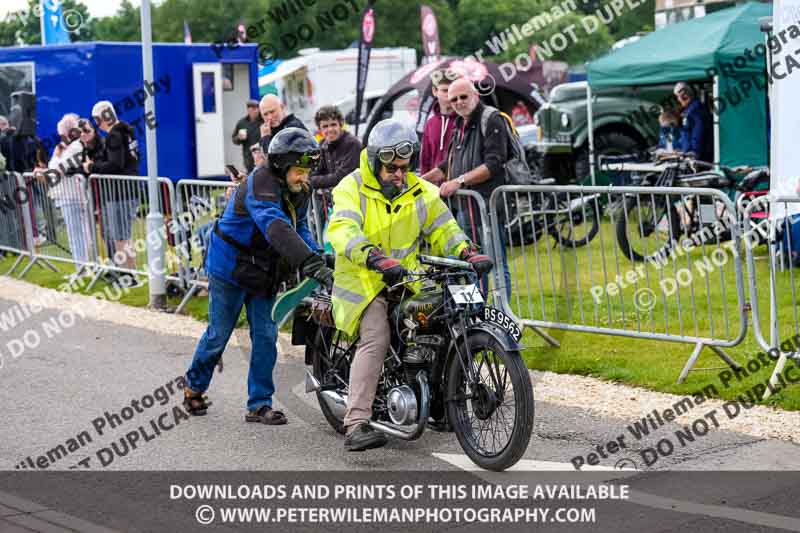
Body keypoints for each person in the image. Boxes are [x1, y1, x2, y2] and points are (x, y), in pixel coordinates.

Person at [327, 119, 493, 451]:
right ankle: (356, 422)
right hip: (362, 279)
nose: (398, 175)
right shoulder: (351, 187)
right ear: (375, 162)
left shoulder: (421, 190)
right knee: (377, 336)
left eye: (404, 168)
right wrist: (373, 257)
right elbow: (342, 228)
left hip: (406, 278)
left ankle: (442, 401)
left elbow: (444, 227)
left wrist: (466, 251)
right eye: (391, 168)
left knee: (442, 320)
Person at [182, 127, 333, 425]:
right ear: (280, 165)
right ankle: (194, 386)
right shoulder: (259, 184)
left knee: (266, 336)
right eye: (300, 170)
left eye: (308, 170)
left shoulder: (300, 189)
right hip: (230, 269)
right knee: (218, 335)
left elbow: (298, 225)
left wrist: (316, 254)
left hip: (264, 272)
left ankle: (259, 404)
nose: (305, 178)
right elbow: (275, 225)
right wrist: (308, 261)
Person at [421, 78, 512, 299]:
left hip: (488, 206)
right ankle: (475, 318)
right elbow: (447, 165)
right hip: (465, 211)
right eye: (454, 99)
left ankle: (503, 317)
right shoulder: (459, 124)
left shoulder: (491, 119)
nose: (459, 102)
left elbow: (494, 164)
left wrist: (459, 182)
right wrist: (419, 181)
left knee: (496, 265)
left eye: (463, 97)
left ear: (475, 96)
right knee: (468, 265)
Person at [85, 100, 140, 284]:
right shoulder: (127, 130)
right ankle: (130, 273)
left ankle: (129, 275)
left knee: (120, 237)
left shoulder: (114, 135)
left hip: (120, 193)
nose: (97, 124)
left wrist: (92, 166)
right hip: (127, 189)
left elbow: (115, 165)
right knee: (123, 235)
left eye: (97, 120)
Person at [47, 113, 92, 268]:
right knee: (77, 232)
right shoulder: (72, 146)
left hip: (72, 194)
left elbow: (56, 169)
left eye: (62, 134)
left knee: (76, 233)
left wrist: (55, 156)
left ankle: (82, 267)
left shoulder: (74, 147)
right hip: (69, 193)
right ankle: (81, 266)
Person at [419, 69, 459, 174]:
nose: (449, 94)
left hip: (459, 187)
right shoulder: (430, 123)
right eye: (445, 90)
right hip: (434, 187)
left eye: (452, 90)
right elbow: (425, 160)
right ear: (434, 91)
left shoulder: (464, 120)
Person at [673, 82, 713, 163]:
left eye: (678, 96)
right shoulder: (688, 111)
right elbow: (685, 134)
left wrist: (694, 153)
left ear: (684, 95)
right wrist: (679, 148)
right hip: (689, 155)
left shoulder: (695, 110)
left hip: (697, 158)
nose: (678, 99)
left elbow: (699, 132)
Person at [232, 100, 263, 173]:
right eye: (253, 109)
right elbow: (234, 139)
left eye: (257, 109)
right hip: (248, 157)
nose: (256, 111)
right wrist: (239, 137)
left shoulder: (263, 121)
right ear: (248, 110)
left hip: (261, 156)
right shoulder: (242, 123)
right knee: (251, 176)